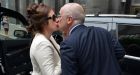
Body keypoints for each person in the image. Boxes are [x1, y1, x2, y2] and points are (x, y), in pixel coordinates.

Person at [58, 3, 125, 75]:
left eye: (60, 16)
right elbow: (120, 52)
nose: (57, 20)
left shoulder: (67, 44)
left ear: (69, 19)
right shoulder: (103, 32)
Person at [27, 3, 61, 75]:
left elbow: (59, 51)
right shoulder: (42, 43)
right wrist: (65, 58)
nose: (57, 20)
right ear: (43, 22)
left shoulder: (48, 37)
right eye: (54, 17)